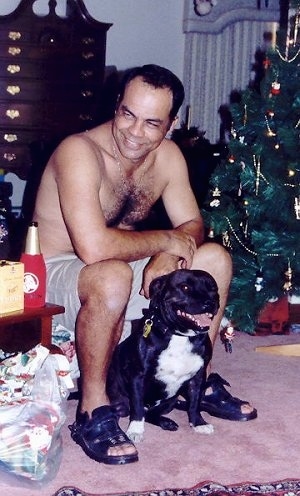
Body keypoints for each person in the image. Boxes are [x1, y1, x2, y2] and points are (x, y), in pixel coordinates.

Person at [34, 64, 257, 466]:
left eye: (152, 123)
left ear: (170, 125)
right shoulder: (79, 151)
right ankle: (93, 410)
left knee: (213, 258)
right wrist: (167, 241)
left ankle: (196, 380)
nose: (135, 133)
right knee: (113, 273)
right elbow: (93, 246)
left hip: (119, 265)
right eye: (127, 114)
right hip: (54, 280)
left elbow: (192, 225)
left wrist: (168, 253)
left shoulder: (167, 156)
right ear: (116, 106)